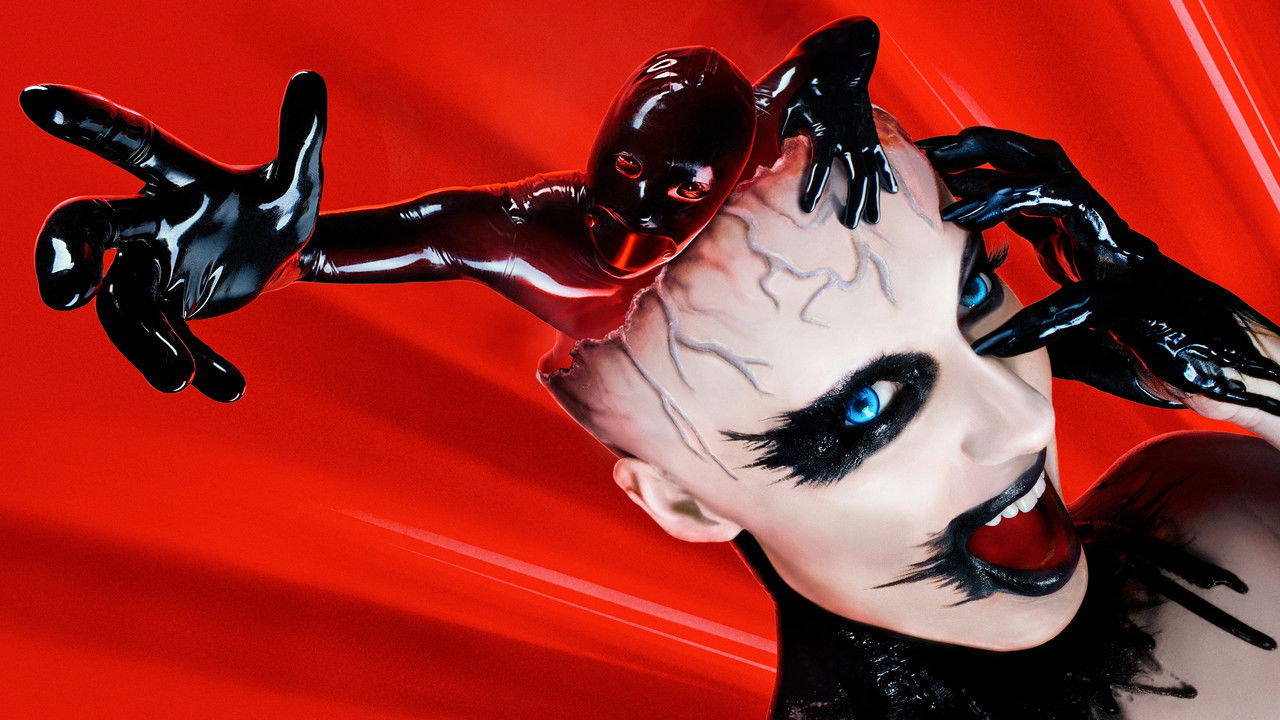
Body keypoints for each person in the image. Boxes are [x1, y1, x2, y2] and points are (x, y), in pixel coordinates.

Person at [543, 113, 1280, 717]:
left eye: (973, 297)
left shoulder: (1219, 508)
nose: (1025, 417)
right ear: (685, 499)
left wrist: (1260, 379)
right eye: (865, 407)